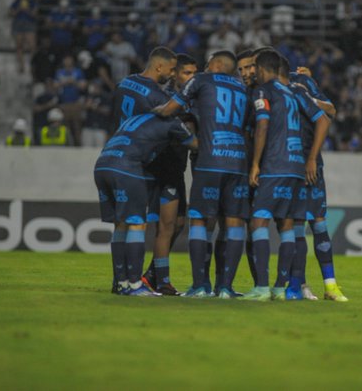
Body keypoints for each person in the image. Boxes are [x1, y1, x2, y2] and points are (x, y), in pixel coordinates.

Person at [153, 51, 251, 299]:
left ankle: (200, 286)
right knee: (234, 222)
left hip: (210, 161)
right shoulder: (243, 89)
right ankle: (226, 287)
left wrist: (158, 111)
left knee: (199, 220)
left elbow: (169, 109)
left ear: (215, 65)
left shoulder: (203, 80)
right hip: (238, 163)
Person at [244, 50, 330, 301]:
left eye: (255, 69)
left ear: (262, 69)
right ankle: (282, 288)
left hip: (275, 165)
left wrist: (256, 164)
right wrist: (311, 157)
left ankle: (261, 287)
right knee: (288, 227)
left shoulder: (265, 90)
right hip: (297, 167)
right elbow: (323, 119)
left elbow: (262, 125)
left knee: (258, 221)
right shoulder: (296, 91)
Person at [94, 112, 197, 296]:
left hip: (103, 163)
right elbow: (195, 144)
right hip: (126, 166)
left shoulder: (138, 118)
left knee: (121, 224)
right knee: (136, 224)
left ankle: (121, 282)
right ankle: (135, 284)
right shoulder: (173, 122)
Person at [285, 63, 347, 302]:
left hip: (311, 164)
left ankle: (330, 285)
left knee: (319, 223)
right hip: (287, 164)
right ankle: (299, 285)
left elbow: (331, 110)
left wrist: (310, 97)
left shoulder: (301, 83)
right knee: (297, 225)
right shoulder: (266, 87)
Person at [141, 53, 199, 296]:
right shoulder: (167, 99)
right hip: (164, 169)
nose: (191, 78)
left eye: (195, 74)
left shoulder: (194, 98)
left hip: (178, 168)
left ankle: (151, 274)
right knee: (166, 226)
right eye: (187, 73)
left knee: (178, 224)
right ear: (174, 74)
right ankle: (162, 281)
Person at [9, 0, 38, 73]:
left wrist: (27, 10)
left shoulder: (32, 2)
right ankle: (21, 65)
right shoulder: (15, 2)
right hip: (18, 24)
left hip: (29, 24)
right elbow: (11, 13)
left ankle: (32, 65)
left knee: (32, 46)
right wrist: (19, 9)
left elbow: (34, 14)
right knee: (19, 46)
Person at [81, 82, 112, 147]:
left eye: (96, 87)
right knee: (85, 150)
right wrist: (87, 105)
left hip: (101, 128)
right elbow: (82, 109)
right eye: (93, 86)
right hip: (88, 127)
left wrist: (95, 108)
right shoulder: (88, 96)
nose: (94, 88)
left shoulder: (106, 97)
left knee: (99, 150)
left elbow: (107, 111)